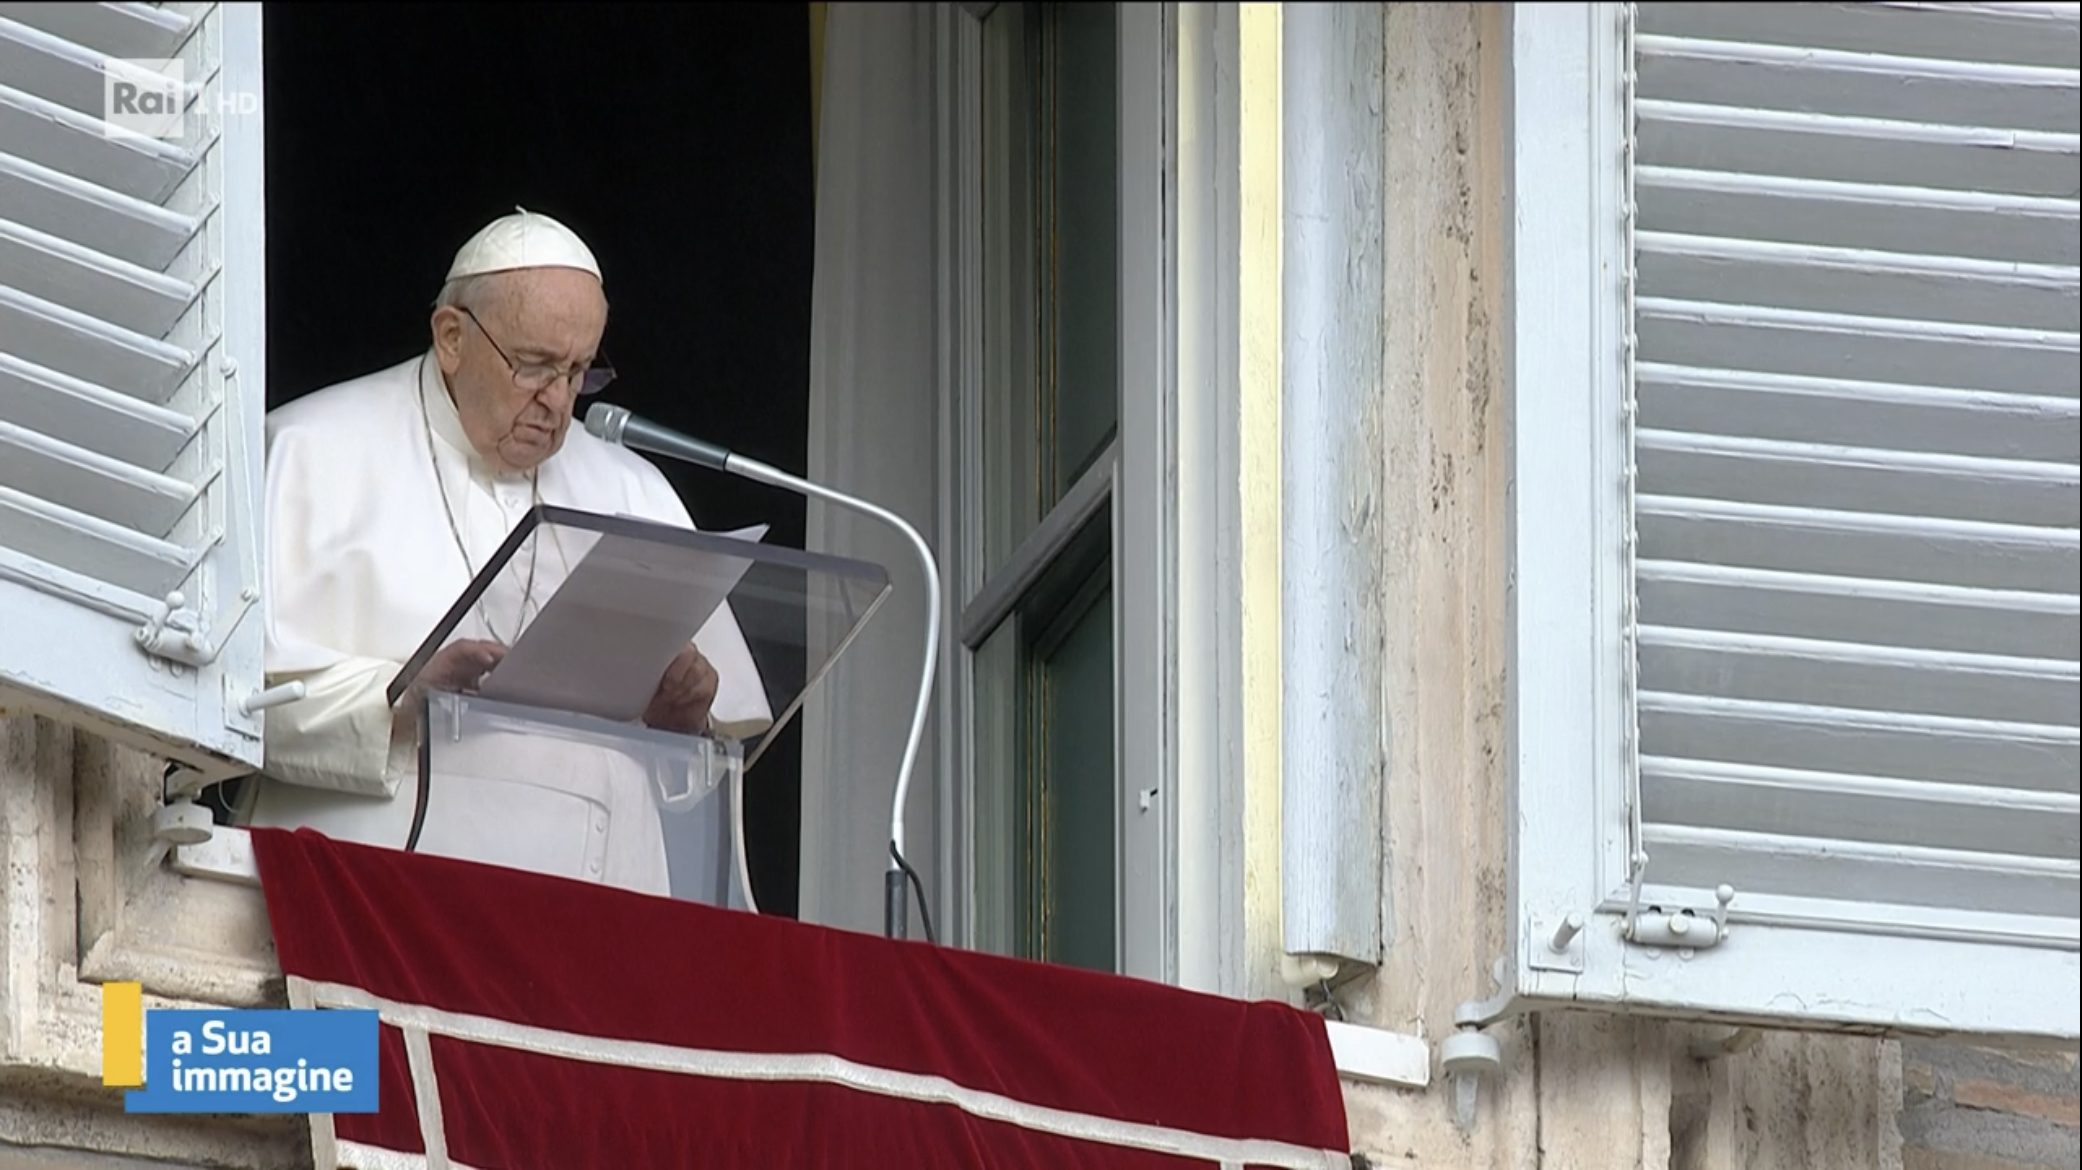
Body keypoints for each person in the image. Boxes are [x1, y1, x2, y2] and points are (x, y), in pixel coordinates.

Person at [236, 207, 773, 897]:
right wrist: (402, 698)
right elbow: (227, 709)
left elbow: (702, 776)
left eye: (580, 371)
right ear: (452, 336)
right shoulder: (307, 452)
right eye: (535, 366)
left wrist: (683, 723)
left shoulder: (630, 488)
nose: (559, 401)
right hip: (376, 908)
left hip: (599, 920)